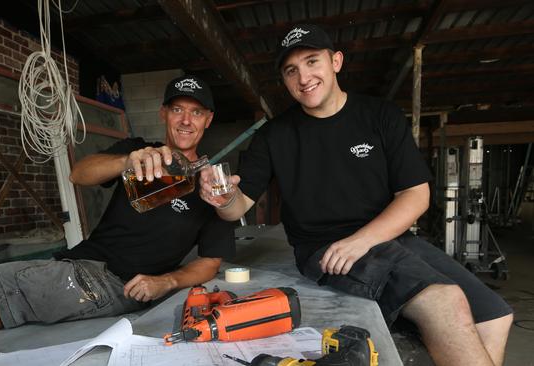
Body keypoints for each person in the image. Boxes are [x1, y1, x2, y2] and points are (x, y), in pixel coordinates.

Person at [198, 24, 512, 366]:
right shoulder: (275, 135)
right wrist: (225, 200)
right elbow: (238, 206)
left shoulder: (380, 116)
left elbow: (415, 194)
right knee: (445, 301)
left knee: (496, 315)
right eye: (291, 71)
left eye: (312, 62)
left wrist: (362, 240)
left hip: (386, 237)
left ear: (336, 61)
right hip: (325, 249)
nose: (303, 78)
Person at [0, 75, 235, 340]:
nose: (186, 120)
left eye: (196, 112)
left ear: (208, 119)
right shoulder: (138, 150)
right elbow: (78, 175)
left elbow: (210, 262)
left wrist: (166, 281)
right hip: (80, 262)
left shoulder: (211, 185)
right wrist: (126, 161)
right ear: (164, 113)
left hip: (115, 282)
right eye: (177, 109)